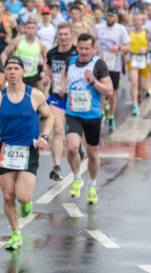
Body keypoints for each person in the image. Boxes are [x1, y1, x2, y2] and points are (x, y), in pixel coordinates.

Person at [0, 56, 53, 250]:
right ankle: (15, 233)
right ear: (5, 73)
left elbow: (49, 116)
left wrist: (45, 135)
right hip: (6, 151)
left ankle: (26, 202)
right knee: (7, 195)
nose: (12, 72)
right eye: (8, 69)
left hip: (28, 150)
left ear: (22, 72)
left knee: (21, 196)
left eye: (15, 68)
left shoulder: (34, 96)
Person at [60, 33, 113, 204]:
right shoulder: (70, 61)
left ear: (93, 48)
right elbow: (63, 75)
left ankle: (92, 184)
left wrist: (92, 82)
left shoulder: (99, 64)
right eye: (80, 48)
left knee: (92, 154)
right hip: (73, 113)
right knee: (73, 148)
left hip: (92, 115)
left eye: (87, 49)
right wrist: (61, 87)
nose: (83, 52)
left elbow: (109, 91)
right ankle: (77, 178)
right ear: (77, 47)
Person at [42, 23, 77, 181]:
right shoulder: (52, 53)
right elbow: (48, 67)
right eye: (60, 34)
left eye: (65, 34)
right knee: (57, 129)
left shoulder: (77, 53)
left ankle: (77, 148)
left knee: (73, 136)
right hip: (56, 96)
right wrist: (45, 76)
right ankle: (56, 166)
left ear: (71, 35)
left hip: (74, 98)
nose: (62, 37)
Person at [95, 6, 130, 131]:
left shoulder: (121, 29)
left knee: (112, 92)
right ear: (106, 16)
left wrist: (119, 48)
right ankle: (101, 114)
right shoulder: (98, 27)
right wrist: (95, 49)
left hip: (114, 66)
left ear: (116, 17)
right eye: (108, 15)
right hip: (101, 64)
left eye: (112, 16)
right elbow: (94, 42)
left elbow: (128, 46)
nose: (110, 18)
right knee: (101, 90)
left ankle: (110, 116)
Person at [2, 19, 47, 88]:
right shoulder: (18, 40)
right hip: (17, 75)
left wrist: (44, 71)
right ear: (24, 29)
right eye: (28, 28)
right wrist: (7, 68)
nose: (30, 30)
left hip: (32, 76)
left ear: (36, 29)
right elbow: (4, 54)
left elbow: (46, 58)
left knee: (31, 97)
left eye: (33, 28)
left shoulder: (40, 44)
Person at [127, 13, 150, 116]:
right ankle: (135, 105)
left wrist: (146, 50)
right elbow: (125, 45)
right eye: (135, 19)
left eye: (139, 20)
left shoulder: (147, 32)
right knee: (134, 82)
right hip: (132, 59)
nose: (137, 22)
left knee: (143, 85)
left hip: (144, 60)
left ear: (142, 21)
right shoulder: (129, 32)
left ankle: (139, 93)